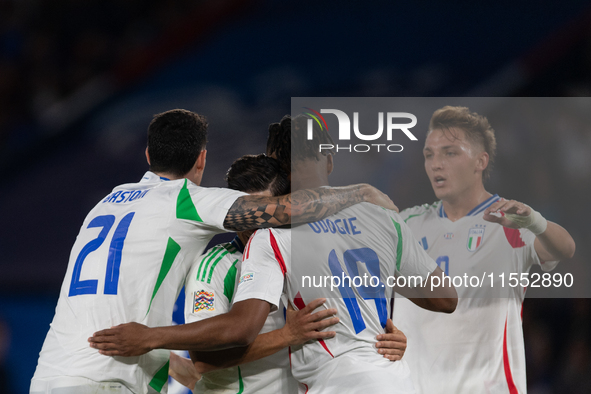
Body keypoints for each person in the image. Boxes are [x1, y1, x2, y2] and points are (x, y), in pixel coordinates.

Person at [30, 109, 396, 394]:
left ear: (147, 155)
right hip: (109, 379)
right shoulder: (187, 201)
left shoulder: (105, 203)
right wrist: (360, 193)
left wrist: (169, 356)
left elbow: (116, 302)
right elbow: (284, 210)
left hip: (51, 371)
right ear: (202, 159)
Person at [392, 106, 576, 393]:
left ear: (480, 161)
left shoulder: (510, 220)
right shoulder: (407, 224)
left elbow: (566, 248)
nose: (436, 164)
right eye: (430, 155)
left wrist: (536, 222)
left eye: (449, 153)